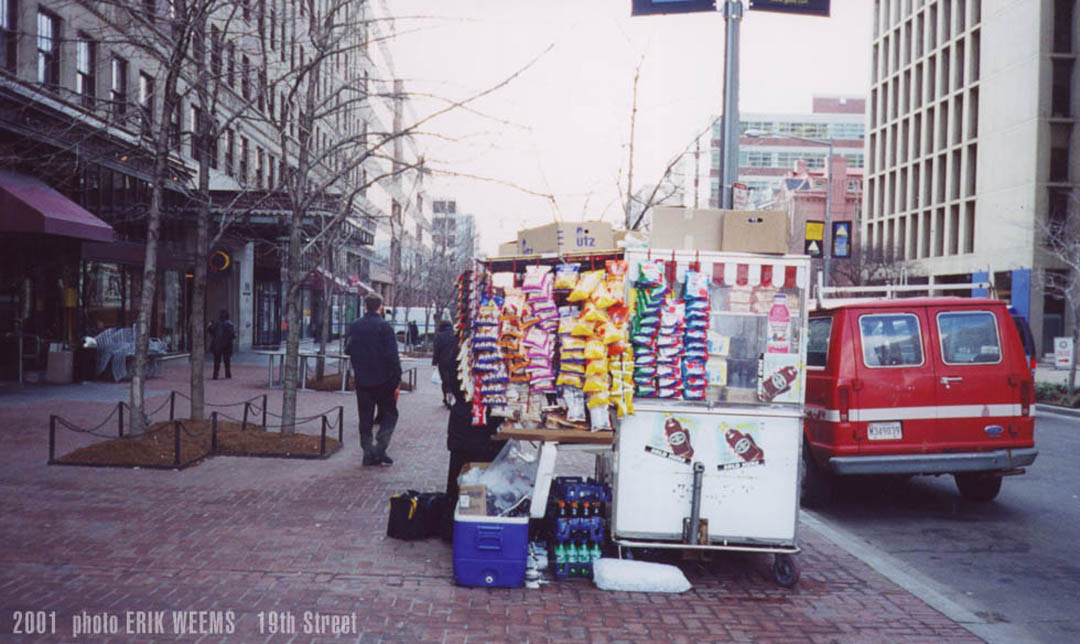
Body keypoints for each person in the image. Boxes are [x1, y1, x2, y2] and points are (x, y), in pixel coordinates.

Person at [439, 333, 505, 541]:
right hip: (483, 424)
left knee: (459, 476)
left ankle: (453, 527)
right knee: (485, 477)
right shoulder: (494, 350)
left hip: (464, 422)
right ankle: (479, 527)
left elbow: (447, 375)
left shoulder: (458, 347)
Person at [345, 293, 402, 466]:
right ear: (380, 307)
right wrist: (396, 376)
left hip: (363, 379)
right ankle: (380, 447)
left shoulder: (355, 326)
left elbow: (347, 349)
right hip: (383, 380)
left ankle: (368, 452)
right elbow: (392, 355)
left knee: (365, 418)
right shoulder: (384, 327)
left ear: (365, 306)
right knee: (390, 415)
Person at [431, 320, 457, 408]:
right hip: (454, 361)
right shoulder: (455, 334)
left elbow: (436, 350)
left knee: (445, 381)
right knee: (453, 379)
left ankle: (446, 398)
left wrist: (434, 362)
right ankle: (452, 398)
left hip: (443, 362)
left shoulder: (439, 336)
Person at [209, 309, 236, 380]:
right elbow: (233, 335)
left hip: (217, 344)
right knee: (227, 360)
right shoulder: (230, 324)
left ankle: (215, 375)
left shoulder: (216, 323)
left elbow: (211, 331)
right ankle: (228, 374)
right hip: (227, 345)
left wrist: (210, 325)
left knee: (217, 361)